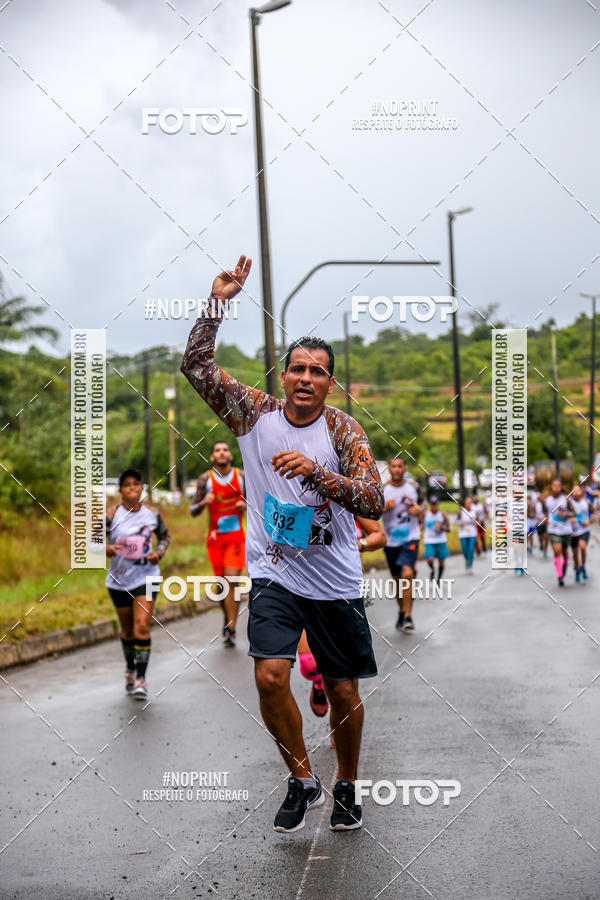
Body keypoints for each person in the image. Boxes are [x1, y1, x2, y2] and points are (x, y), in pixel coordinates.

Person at [181, 255, 384, 834]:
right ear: (283, 374)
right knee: (270, 675)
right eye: (296, 367)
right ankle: (302, 780)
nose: (304, 378)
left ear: (329, 382)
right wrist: (217, 304)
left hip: (334, 579)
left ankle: (346, 783)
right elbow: (195, 366)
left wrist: (316, 475)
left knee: (342, 688)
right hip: (273, 571)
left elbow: (373, 500)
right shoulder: (254, 415)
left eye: (317, 371)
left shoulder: (343, 431)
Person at [297, 516, 386, 723]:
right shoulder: (295, 493)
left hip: (342, 589)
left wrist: (358, 545)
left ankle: (339, 727)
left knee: (344, 680)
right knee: (310, 665)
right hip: (301, 585)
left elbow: (379, 536)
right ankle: (319, 682)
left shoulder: (345, 492)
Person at [105, 468, 170, 699]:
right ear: (120, 489)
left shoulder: (152, 513)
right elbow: (91, 542)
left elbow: (165, 537)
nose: (132, 488)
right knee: (128, 629)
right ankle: (130, 668)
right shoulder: (111, 514)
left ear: (141, 487)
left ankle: (141, 679)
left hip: (148, 576)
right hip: (119, 580)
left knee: (142, 625)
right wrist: (107, 548)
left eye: (136, 484)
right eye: (127, 485)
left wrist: (158, 553)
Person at [190, 440, 246, 647]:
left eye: (225, 450)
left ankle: (231, 628)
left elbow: (257, 500)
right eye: (217, 450)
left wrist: (245, 504)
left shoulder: (241, 476)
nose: (222, 453)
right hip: (215, 539)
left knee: (232, 580)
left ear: (230, 455)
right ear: (213, 457)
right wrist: (203, 502)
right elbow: (192, 510)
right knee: (221, 585)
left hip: (236, 537)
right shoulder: (205, 479)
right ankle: (227, 617)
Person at [381, 456, 423, 633]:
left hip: (410, 537)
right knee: (397, 580)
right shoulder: (382, 490)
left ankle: (408, 616)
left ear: (405, 469)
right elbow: (372, 514)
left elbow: (423, 510)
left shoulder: (414, 488)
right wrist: (384, 508)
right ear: (389, 469)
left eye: (400, 466)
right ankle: (401, 610)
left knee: (408, 574)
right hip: (391, 541)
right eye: (394, 466)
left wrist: (419, 511)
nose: (397, 469)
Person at [544, 478, 573, 587]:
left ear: (561, 487)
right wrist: (544, 519)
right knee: (557, 550)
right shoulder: (547, 500)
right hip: (553, 529)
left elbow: (573, 512)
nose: (556, 487)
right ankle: (560, 575)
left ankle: (564, 566)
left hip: (566, 530)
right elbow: (543, 512)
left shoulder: (566, 499)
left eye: (558, 485)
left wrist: (565, 515)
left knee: (565, 552)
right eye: (554, 485)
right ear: (551, 486)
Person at [423, 496, 450, 584]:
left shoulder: (442, 514)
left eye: (435, 504)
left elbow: (448, 528)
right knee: (430, 559)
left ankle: (438, 579)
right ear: (430, 505)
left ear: (438, 504)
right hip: (429, 540)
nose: (434, 506)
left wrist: (441, 527)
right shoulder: (426, 514)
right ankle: (432, 569)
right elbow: (420, 523)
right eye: (432, 504)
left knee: (441, 562)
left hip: (441, 540)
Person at [569, 483, 593, 582]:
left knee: (582, 547)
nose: (576, 493)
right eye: (574, 491)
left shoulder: (586, 503)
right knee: (575, 553)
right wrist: (569, 519)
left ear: (581, 492)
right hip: (572, 532)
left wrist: (589, 521)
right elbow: (561, 515)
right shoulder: (568, 504)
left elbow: (594, 513)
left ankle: (583, 566)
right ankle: (578, 569)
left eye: (577, 490)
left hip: (584, 530)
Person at [456, 497, 477, 573]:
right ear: (465, 503)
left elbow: (479, 520)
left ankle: (470, 565)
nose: (468, 504)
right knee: (465, 550)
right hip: (463, 534)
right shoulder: (461, 511)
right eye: (467, 502)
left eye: (470, 502)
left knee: (471, 550)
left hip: (472, 533)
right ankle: (467, 560)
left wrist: (476, 522)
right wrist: (461, 523)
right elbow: (456, 521)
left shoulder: (474, 511)